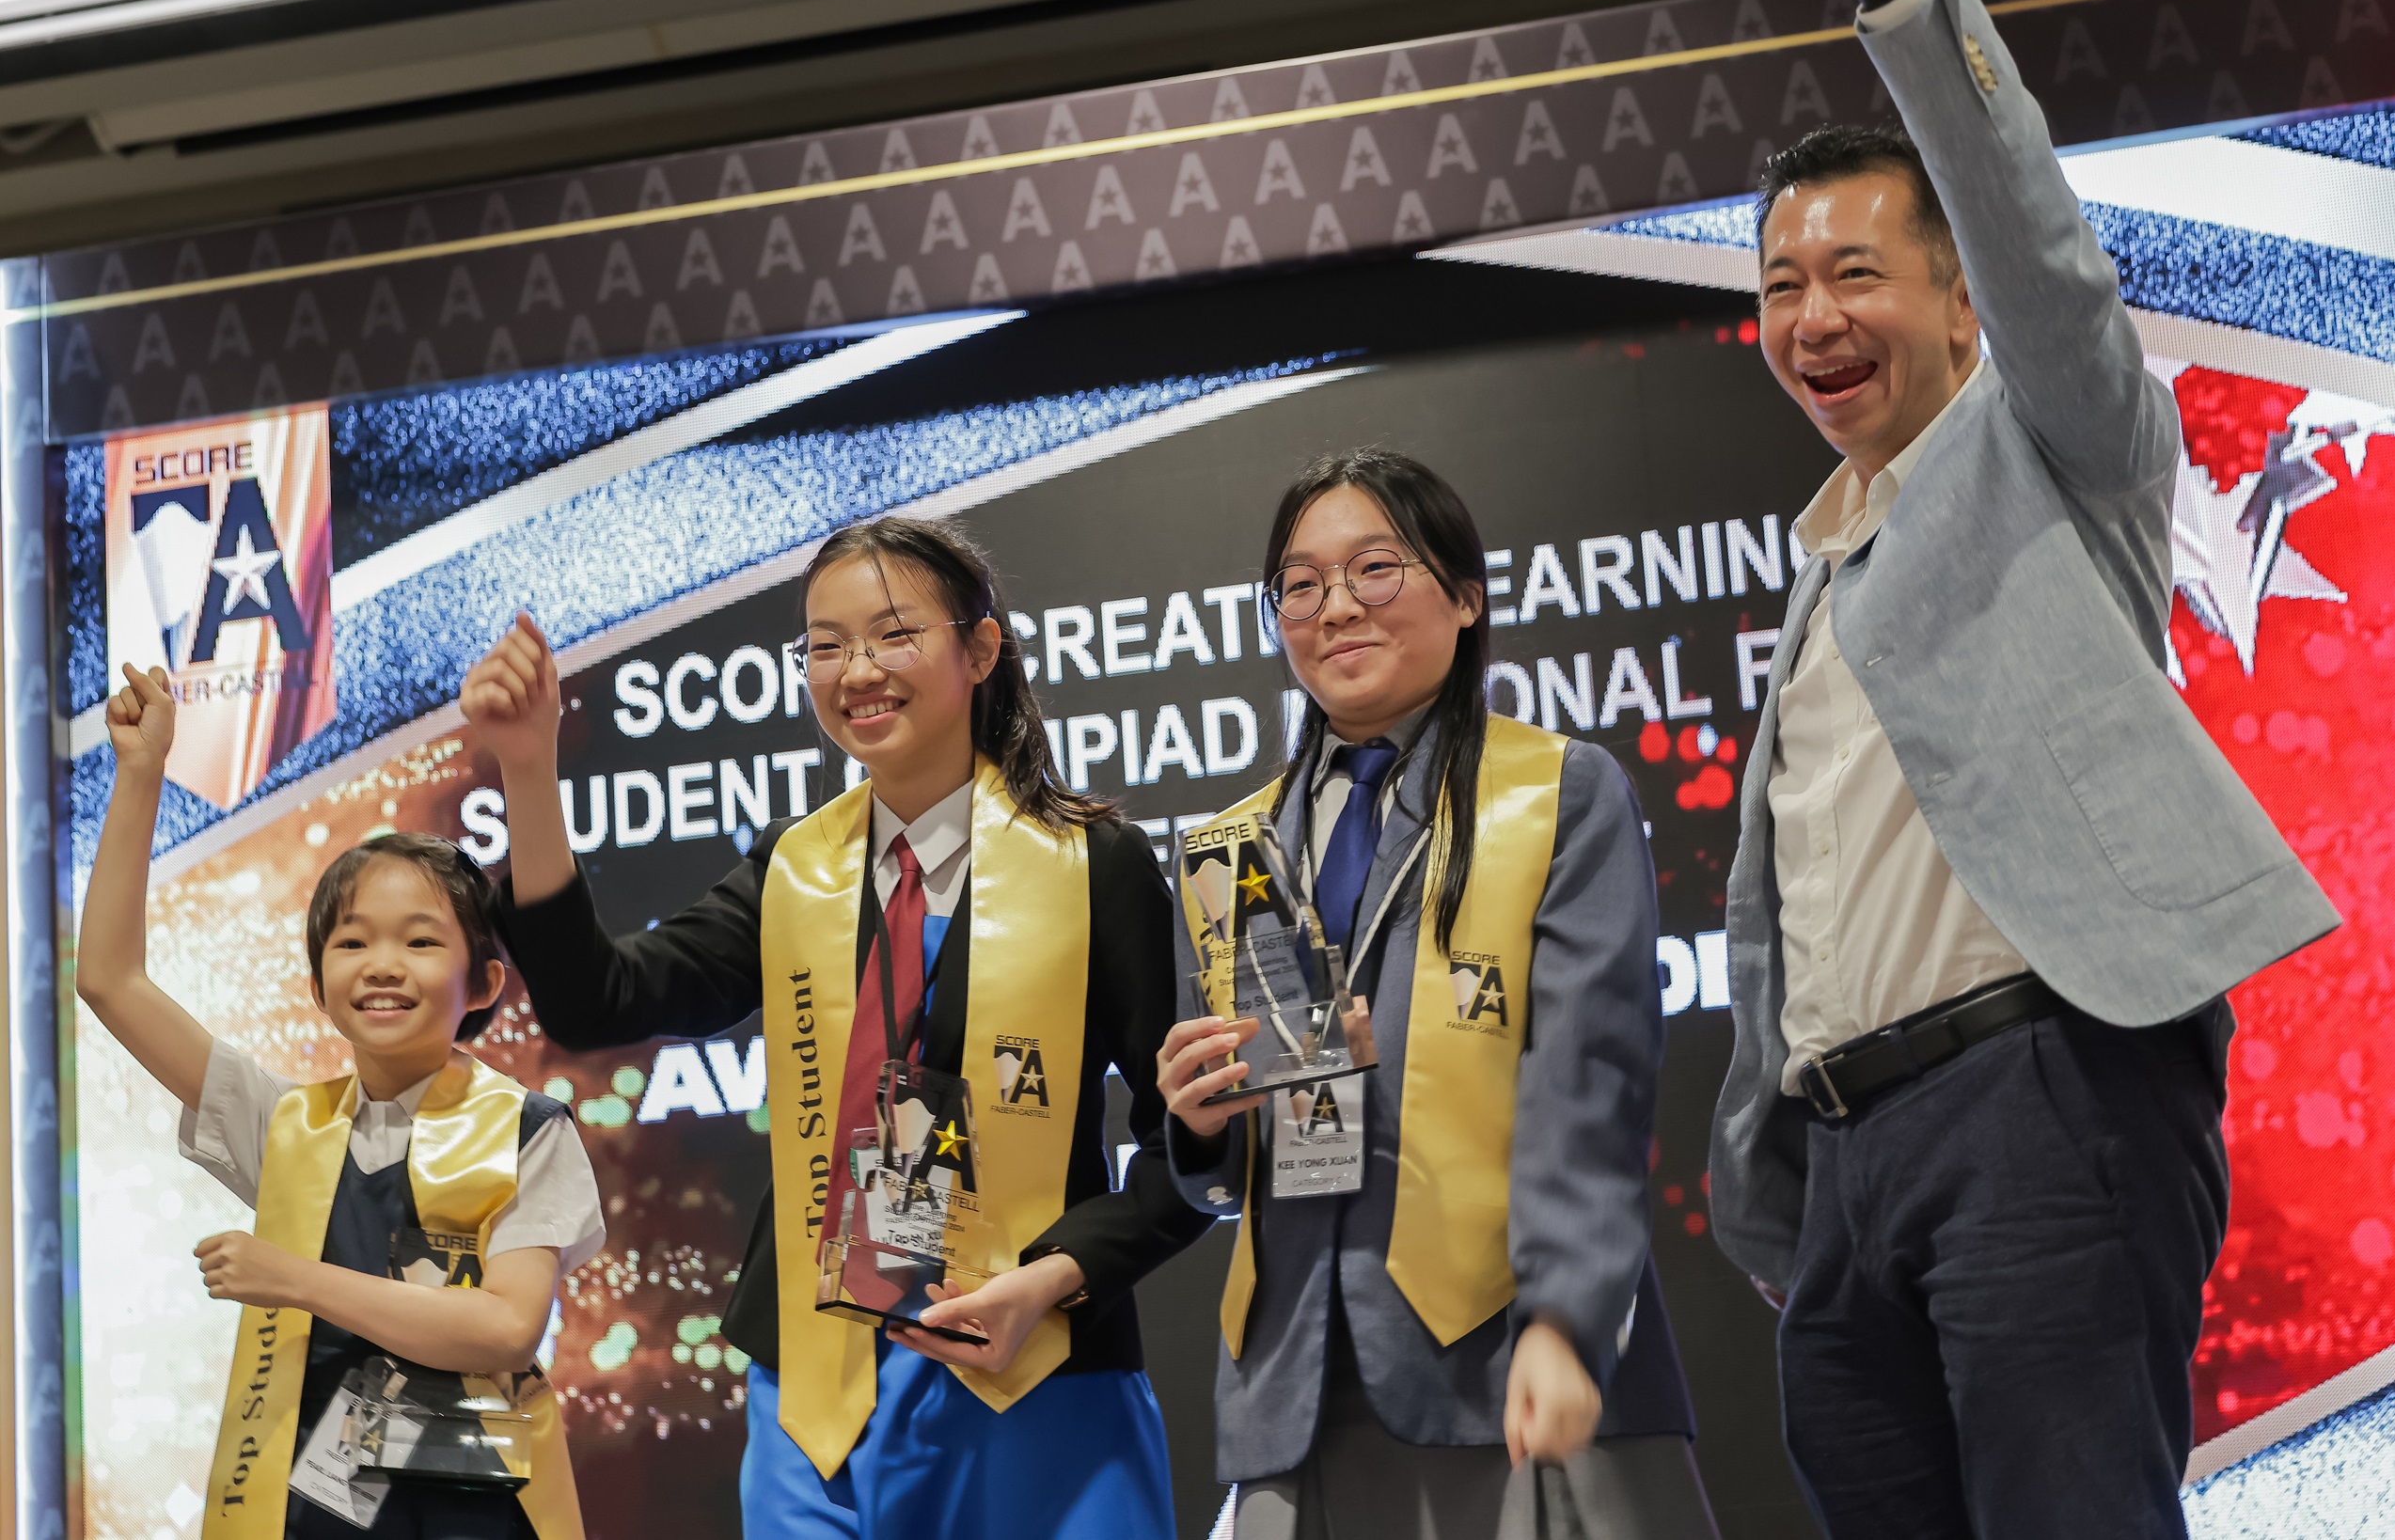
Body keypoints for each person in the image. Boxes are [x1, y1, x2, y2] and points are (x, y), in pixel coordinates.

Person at [1710, 0, 2342, 1537]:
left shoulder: (2061, 444)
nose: (1812, 314)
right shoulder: (1823, 562)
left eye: (1855, 271)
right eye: (1779, 284)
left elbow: (2033, 239)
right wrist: (1791, 1176)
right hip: (1847, 1160)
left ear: (1957, 306)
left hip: (2037, 1097)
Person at [459, 515, 1212, 1540]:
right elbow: (602, 998)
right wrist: (527, 768)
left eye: (893, 634)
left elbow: (1196, 1145)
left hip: (1036, 1372)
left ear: (980, 649)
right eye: (824, 645)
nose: (856, 671)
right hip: (817, 1398)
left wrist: (1051, 1281)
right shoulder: (794, 870)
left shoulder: (1091, 863)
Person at [1158, 449, 1714, 1540]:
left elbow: (1587, 1088)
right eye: (1300, 585)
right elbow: (1229, 1159)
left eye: (1375, 568)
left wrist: (1566, 1317)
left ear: (1464, 596)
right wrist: (1202, 1124)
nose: (1335, 606)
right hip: (1297, 1376)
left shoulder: (1556, 791)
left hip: (1506, 1355)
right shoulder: (1226, 850)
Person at [76, 664, 602, 1540]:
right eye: (352, 943)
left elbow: (507, 1327)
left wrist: (291, 1278)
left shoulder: (526, 1131)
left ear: (482, 984)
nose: (383, 965)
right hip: (316, 1511)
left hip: (480, 1515)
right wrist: (139, 774)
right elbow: (109, 980)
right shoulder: (288, 1126)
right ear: (319, 987)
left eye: (421, 942)